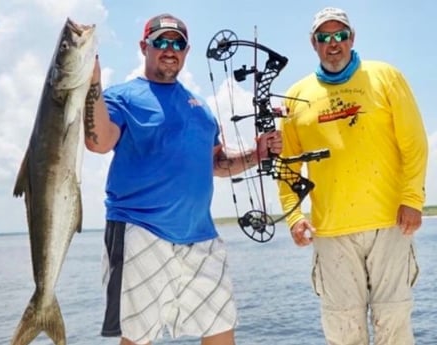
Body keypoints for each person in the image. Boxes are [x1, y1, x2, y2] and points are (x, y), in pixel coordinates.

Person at [84, 13, 282, 345]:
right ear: (144, 46)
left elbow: (217, 163)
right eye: (160, 41)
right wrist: (91, 83)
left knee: (220, 329)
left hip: (201, 237)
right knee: (137, 337)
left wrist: (256, 153)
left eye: (177, 43)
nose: (169, 49)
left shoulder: (200, 107)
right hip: (138, 231)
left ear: (186, 51)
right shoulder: (121, 97)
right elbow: (98, 142)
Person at [277, 7, 428, 345]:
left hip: (390, 222)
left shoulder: (386, 76)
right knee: (343, 329)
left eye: (341, 35)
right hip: (331, 232)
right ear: (313, 43)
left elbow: (415, 143)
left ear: (352, 38)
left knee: (394, 321)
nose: (334, 44)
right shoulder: (296, 95)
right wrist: (293, 216)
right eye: (325, 37)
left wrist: (413, 199)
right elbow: (287, 164)